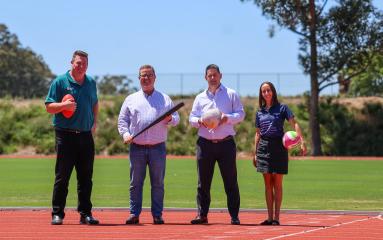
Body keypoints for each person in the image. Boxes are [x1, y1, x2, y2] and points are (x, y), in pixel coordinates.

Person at [118, 64, 180, 225]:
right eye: (143, 75)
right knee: (135, 183)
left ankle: (157, 215)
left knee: (158, 183)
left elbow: (176, 118)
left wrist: (170, 119)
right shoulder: (131, 99)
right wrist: (125, 134)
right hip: (136, 147)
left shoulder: (165, 98)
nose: (146, 78)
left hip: (157, 148)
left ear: (155, 77)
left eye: (149, 75)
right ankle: (134, 214)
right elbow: (122, 120)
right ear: (139, 78)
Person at [45, 50, 99, 225]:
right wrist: (63, 105)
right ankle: (57, 213)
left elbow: (95, 102)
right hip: (65, 135)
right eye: (78, 63)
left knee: (86, 177)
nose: (81, 66)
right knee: (62, 176)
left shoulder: (91, 82)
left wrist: (94, 122)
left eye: (84, 63)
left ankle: (85, 214)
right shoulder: (60, 82)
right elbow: (49, 106)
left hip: (85, 136)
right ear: (71, 63)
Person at [189, 64, 245, 225]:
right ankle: (202, 215)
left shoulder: (231, 94)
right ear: (205, 77)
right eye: (209, 75)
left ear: (221, 75)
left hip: (226, 144)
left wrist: (227, 118)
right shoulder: (200, 97)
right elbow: (192, 118)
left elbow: (241, 114)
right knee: (203, 182)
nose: (212, 78)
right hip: (204, 144)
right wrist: (200, 121)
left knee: (230, 181)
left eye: (215, 75)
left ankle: (234, 216)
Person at [253, 81, 307, 226]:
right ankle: (269, 218)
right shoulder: (260, 112)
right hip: (263, 147)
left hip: (279, 147)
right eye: (263, 91)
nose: (266, 93)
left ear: (273, 91)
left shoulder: (283, 108)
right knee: (267, 184)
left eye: (268, 90)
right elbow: (257, 134)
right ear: (261, 94)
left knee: (277, 183)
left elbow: (294, 123)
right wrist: (255, 153)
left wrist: (301, 141)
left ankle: (277, 218)